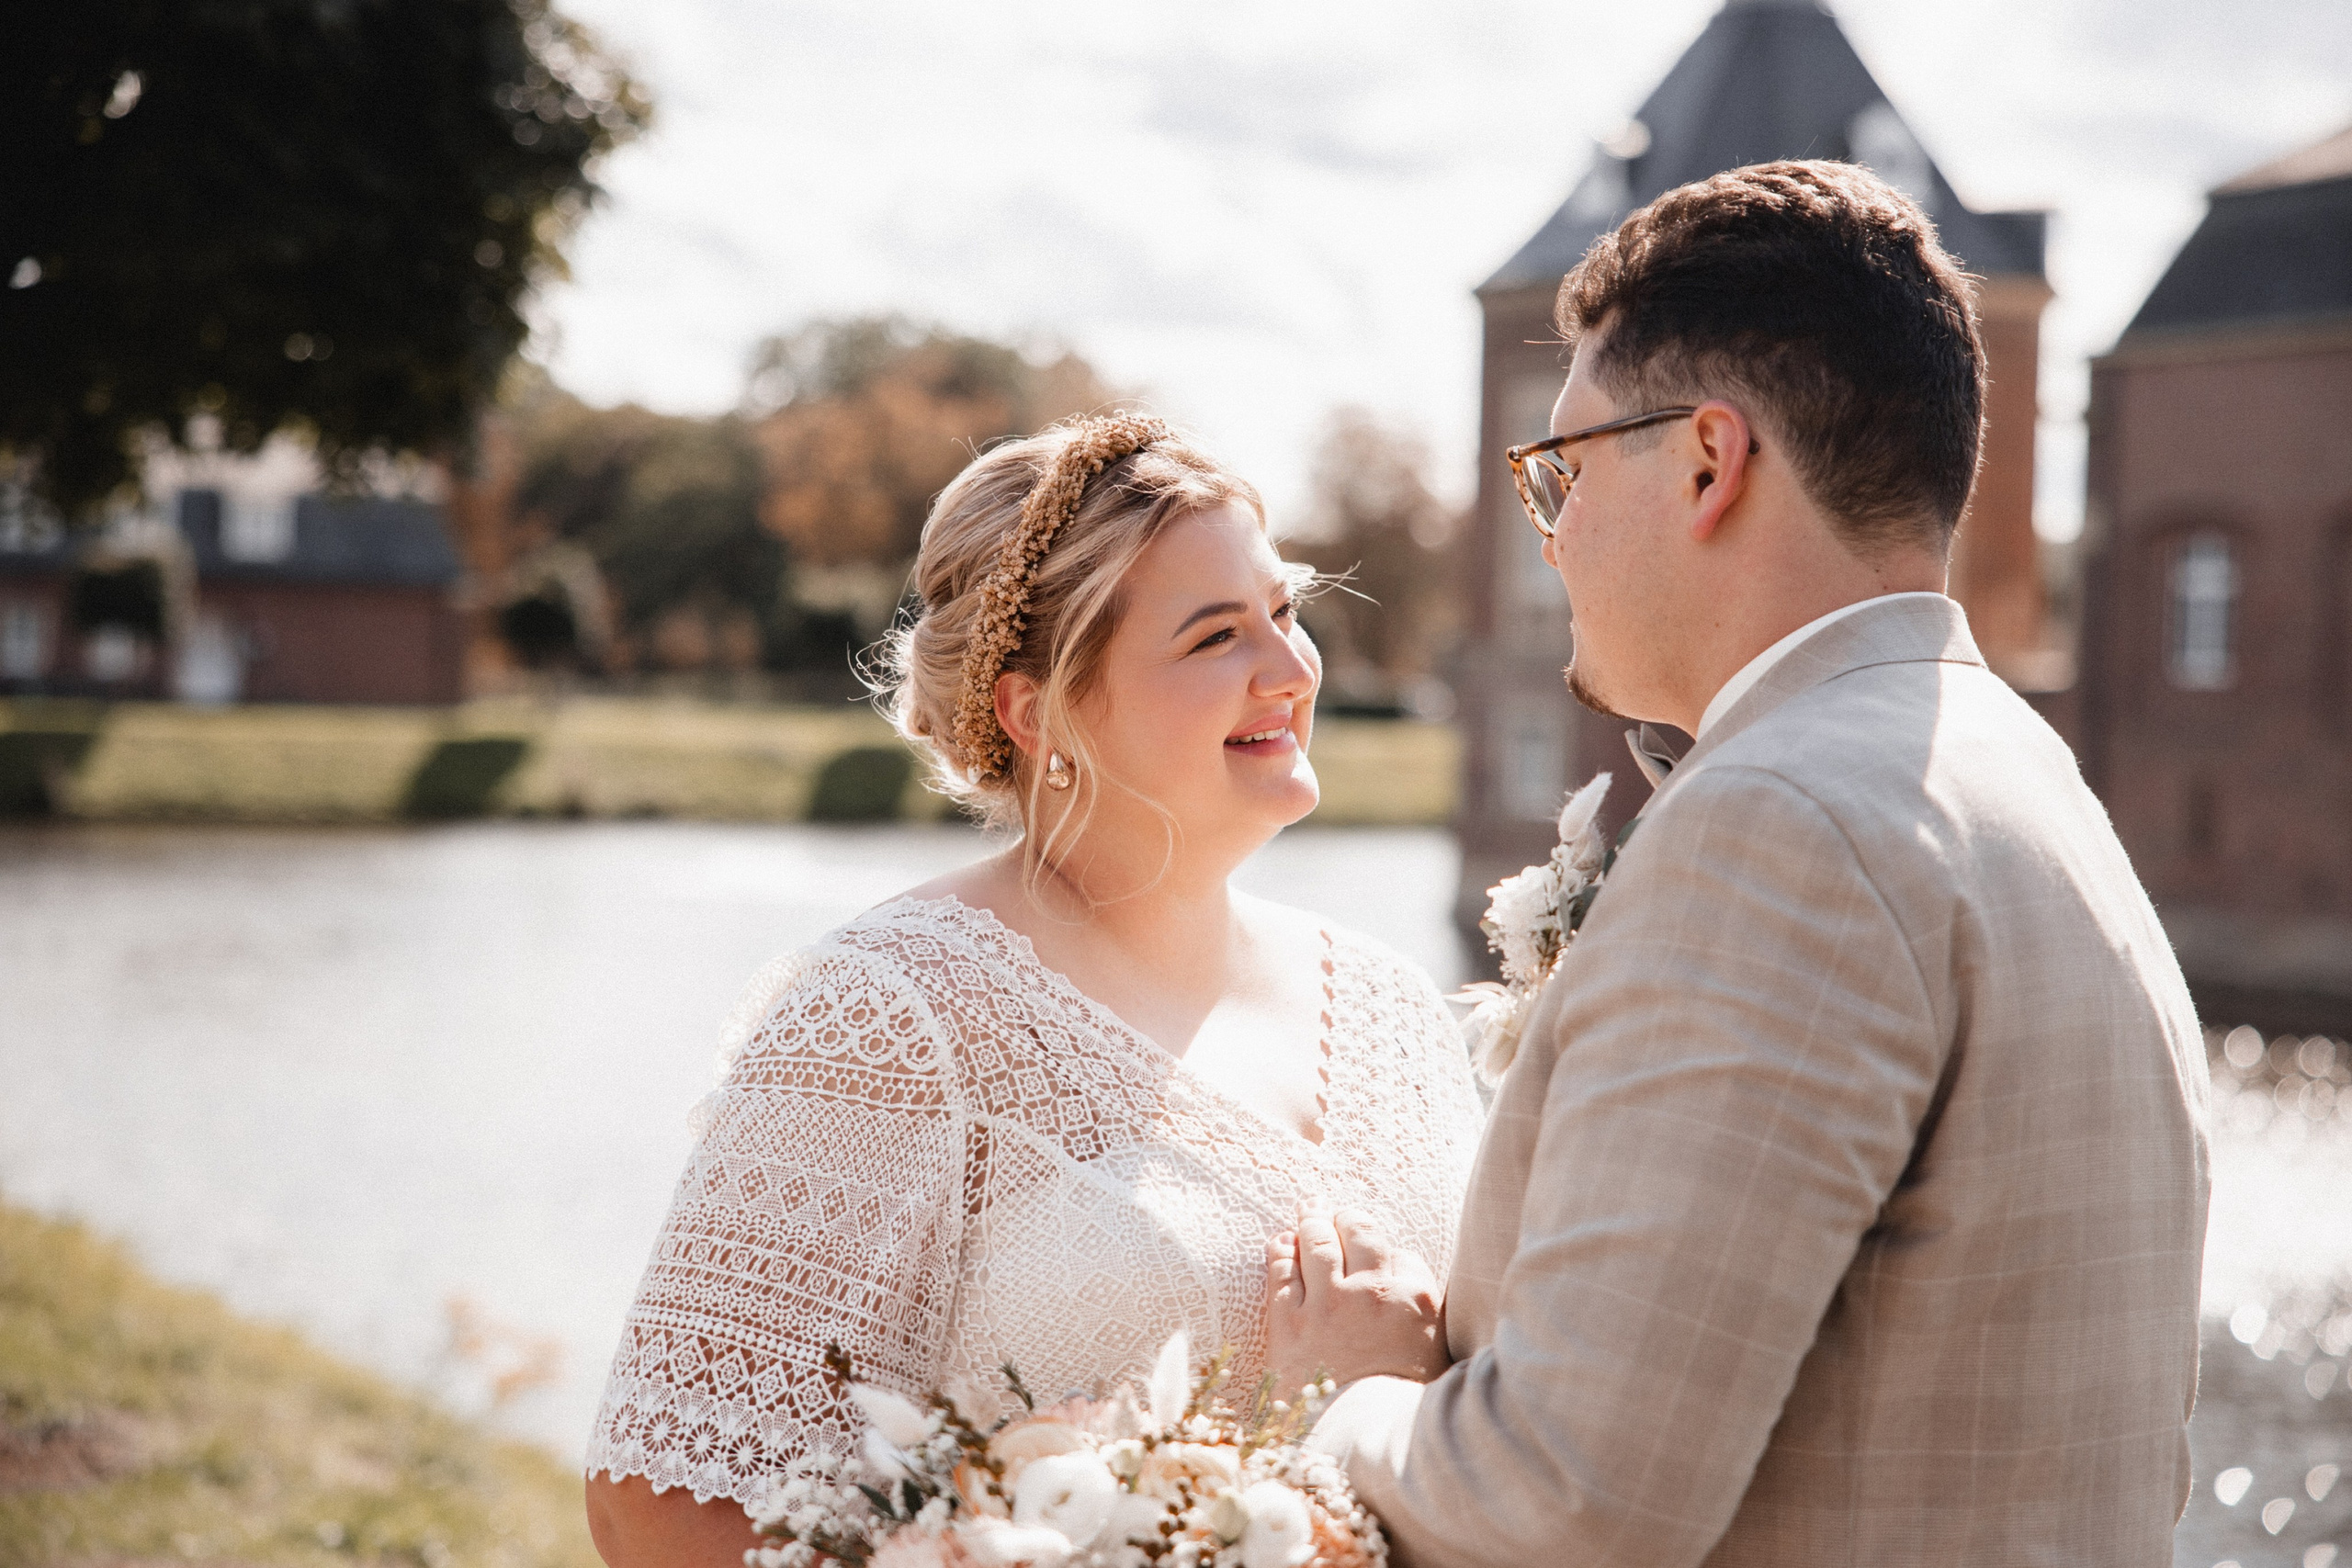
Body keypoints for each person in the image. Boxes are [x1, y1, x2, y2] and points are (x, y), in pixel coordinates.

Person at [1264, 162, 2211, 1566]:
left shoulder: (1782, 825)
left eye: (1563, 471)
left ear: (1710, 461)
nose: (1552, 529)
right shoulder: (2022, 775)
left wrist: (1352, 1405)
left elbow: (1571, 1496)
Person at [582, 413, 1487, 1563]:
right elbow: (661, 1512)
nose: (1292, 669)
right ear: (1039, 712)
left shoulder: (1393, 1004)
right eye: (1216, 636)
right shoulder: (892, 1012)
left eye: (1285, 612)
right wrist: (1309, 1431)